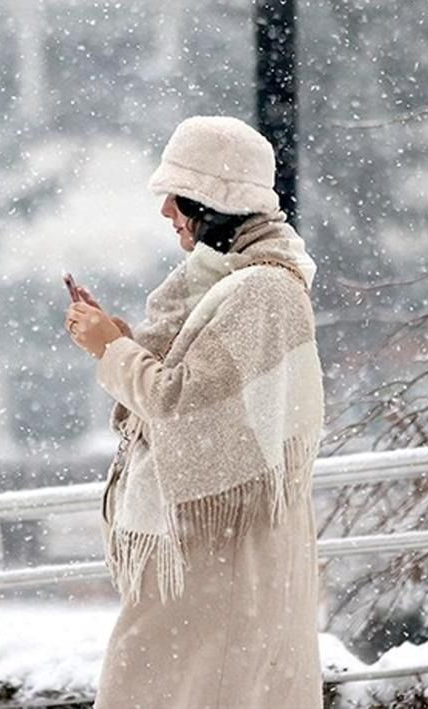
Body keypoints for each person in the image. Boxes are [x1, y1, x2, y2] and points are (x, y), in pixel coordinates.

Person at [64, 115, 325, 709]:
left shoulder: (261, 291)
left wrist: (111, 348)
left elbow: (182, 404)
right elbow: (194, 390)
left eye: (176, 196)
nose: (166, 213)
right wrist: (120, 341)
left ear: (213, 201)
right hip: (209, 553)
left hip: (222, 559)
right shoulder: (226, 283)